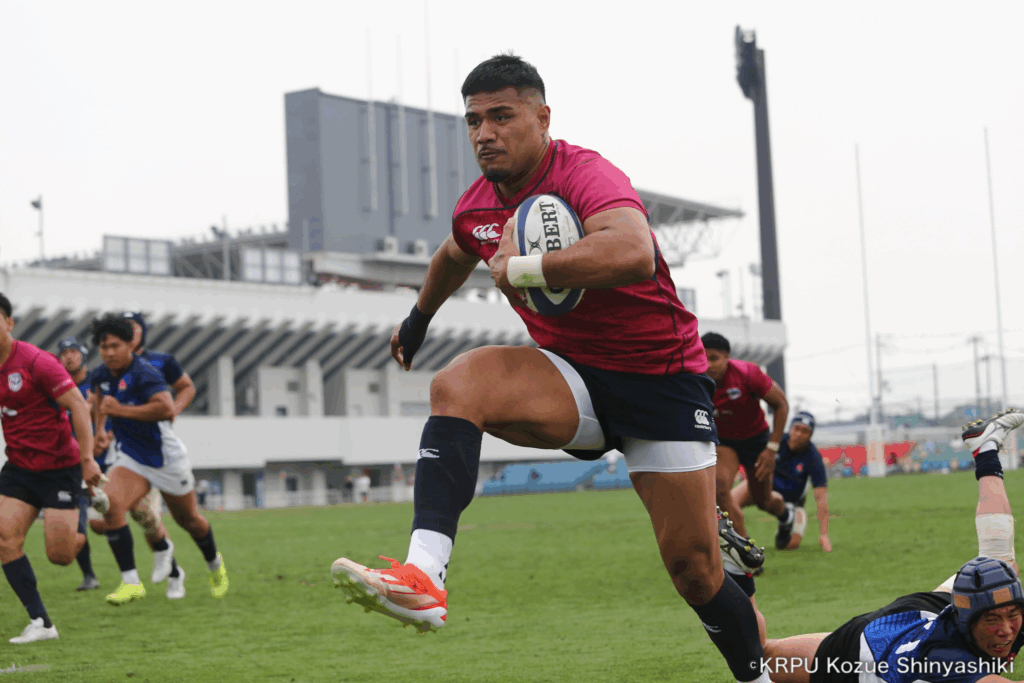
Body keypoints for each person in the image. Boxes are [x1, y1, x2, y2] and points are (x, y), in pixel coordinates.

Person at [331, 54, 770, 683]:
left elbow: (634, 251)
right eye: (474, 121)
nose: (485, 133)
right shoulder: (478, 206)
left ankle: (755, 670)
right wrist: (418, 318)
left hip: (662, 384)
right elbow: (455, 252)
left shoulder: (586, 173)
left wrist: (524, 269)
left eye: (502, 116)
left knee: (694, 573)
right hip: (573, 377)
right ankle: (423, 576)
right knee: (458, 385)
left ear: (542, 118)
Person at [761, 408, 1024, 683]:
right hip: (862, 649)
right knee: (764, 659)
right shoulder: (946, 663)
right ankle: (735, 571)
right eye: (993, 620)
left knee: (1000, 566)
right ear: (965, 618)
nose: (1007, 629)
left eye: (1013, 616)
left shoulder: (999, 613)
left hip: (913, 615)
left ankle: (985, 449)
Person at [89, 314, 227, 605]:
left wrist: (120, 411)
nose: (109, 353)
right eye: (104, 347)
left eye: (115, 346)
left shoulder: (147, 372)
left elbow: (165, 409)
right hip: (131, 457)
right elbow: (102, 402)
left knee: (189, 521)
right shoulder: (101, 374)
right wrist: (101, 431)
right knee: (110, 504)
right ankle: (131, 582)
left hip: (165, 458)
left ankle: (214, 564)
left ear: (130, 344)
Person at [0, 293, 101, 643]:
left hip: (59, 467)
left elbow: (79, 406)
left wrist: (87, 460)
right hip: (19, 467)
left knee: (60, 555)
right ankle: (41, 622)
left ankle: (79, 526)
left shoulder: (36, 362)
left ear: (9, 323)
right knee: (5, 539)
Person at [702, 332, 790, 547]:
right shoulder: (695, 380)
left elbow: (781, 404)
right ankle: (744, 548)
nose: (708, 365)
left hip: (756, 441)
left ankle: (787, 517)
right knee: (719, 489)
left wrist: (772, 449)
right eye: (704, 359)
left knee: (764, 501)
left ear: (727, 357)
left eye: (714, 358)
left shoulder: (748, 373)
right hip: (724, 441)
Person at [731, 411, 831, 552]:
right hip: (763, 488)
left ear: (810, 435)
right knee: (727, 505)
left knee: (790, 545)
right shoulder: (774, 442)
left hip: (791, 503)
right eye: (796, 428)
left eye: (805, 431)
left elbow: (821, 497)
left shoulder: (813, 457)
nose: (799, 434)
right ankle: (729, 544)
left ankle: (787, 519)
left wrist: (824, 535)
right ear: (790, 428)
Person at [56, 336, 106, 591]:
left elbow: (109, 416)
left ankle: (164, 561)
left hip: (104, 462)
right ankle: (89, 576)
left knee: (108, 521)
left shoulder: (96, 383)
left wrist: (94, 415)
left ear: (83, 354)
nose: (69, 356)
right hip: (72, 465)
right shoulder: (57, 388)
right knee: (77, 522)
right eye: (64, 352)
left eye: (74, 351)